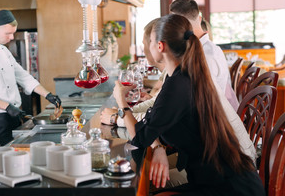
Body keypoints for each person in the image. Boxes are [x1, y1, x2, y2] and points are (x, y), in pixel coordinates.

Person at [113, 14, 264, 195]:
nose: (147, 45)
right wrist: (158, 147)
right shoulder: (182, 76)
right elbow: (152, 123)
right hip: (222, 178)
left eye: (150, 40)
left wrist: (121, 102)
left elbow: (140, 136)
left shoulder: (179, 84)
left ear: (160, 46)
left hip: (229, 187)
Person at [0, 10, 61, 146]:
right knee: (2, 160)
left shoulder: (4, 51)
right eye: (8, 33)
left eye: (13, 33)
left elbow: (23, 76)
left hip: (15, 117)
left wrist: (47, 94)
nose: (12, 37)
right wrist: (7, 107)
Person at [170, 0, 239, 111]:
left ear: (179, 26)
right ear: (200, 19)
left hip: (212, 121)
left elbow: (200, 102)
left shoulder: (206, 55)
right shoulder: (210, 49)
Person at [100, 18, 167, 128]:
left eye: (145, 44)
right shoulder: (171, 73)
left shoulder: (178, 77)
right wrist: (122, 113)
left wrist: (117, 117)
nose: (144, 50)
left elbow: (156, 119)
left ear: (158, 46)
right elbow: (154, 105)